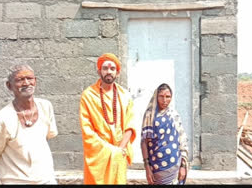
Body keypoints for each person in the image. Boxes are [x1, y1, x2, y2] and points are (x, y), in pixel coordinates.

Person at [0, 64, 58, 184]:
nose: (26, 83)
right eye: (20, 80)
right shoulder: (1, 119)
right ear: (9, 85)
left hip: (47, 180)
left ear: (35, 81)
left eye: (29, 78)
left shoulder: (46, 107)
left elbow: (43, 140)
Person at [79, 53, 137, 184]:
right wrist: (109, 149)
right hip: (98, 155)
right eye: (105, 68)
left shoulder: (125, 96)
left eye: (112, 68)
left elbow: (130, 125)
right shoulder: (88, 96)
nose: (108, 72)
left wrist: (120, 149)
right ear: (99, 71)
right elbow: (87, 130)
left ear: (117, 72)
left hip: (119, 153)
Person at [140, 83, 189, 185]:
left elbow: (182, 139)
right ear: (156, 96)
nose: (165, 100)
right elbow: (144, 142)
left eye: (168, 97)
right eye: (161, 96)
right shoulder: (150, 115)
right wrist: (147, 167)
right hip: (157, 167)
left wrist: (183, 166)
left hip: (175, 163)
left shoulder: (173, 114)